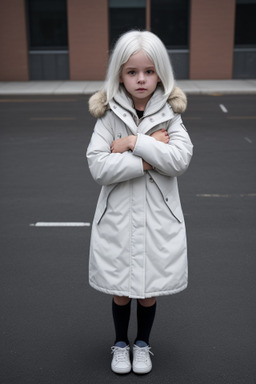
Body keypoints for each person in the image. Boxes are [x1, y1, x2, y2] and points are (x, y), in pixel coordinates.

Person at [86, 30, 193, 375]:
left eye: (148, 71)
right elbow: (99, 166)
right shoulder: (107, 114)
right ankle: (120, 344)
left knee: (147, 289)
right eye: (132, 72)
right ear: (120, 74)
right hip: (117, 216)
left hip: (157, 217)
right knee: (121, 288)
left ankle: (143, 344)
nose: (141, 79)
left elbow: (180, 160)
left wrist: (134, 141)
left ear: (160, 71)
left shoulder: (170, 113)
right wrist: (149, 156)